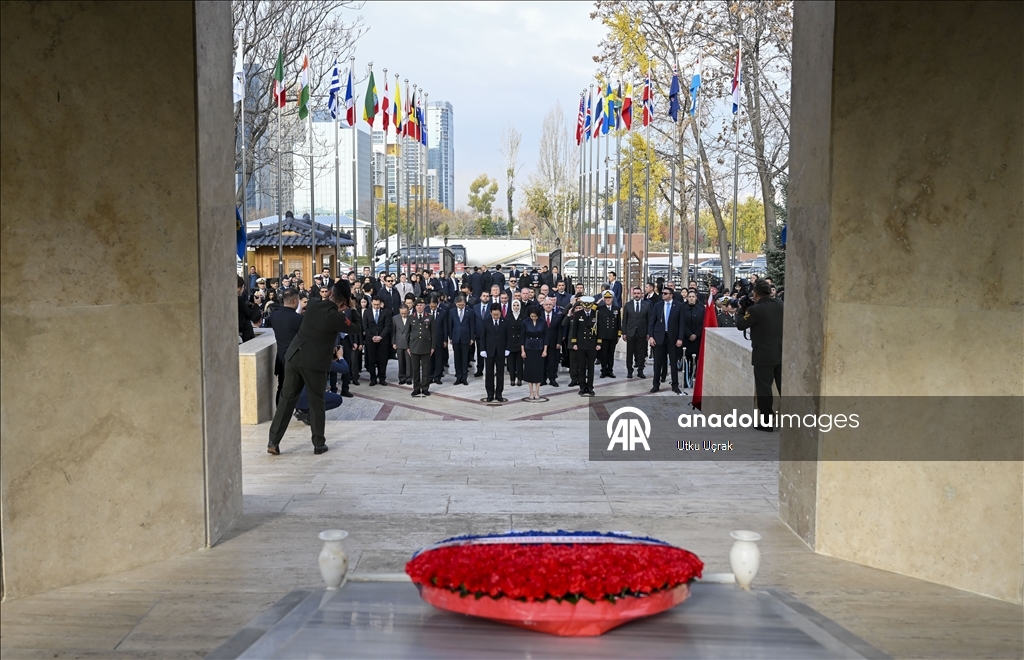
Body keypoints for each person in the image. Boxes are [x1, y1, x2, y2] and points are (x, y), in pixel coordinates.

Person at [267, 280, 355, 456]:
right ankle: (318, 444)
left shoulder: (313, 303)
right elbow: (356, 328)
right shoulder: (338, 318)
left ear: (329, 293)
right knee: (316, 403)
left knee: (286, 400)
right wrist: (353, 309)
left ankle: (273, 441)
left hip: (293, 357)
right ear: (345, 302)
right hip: (314, 363)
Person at [736, 278, 784, 431]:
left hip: (763, 355)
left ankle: (767, 421)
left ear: (755, 294)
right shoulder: (780, 304)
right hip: (780, 352)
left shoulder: (756, 310)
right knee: (784, 387)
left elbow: (741, 324)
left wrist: (740, 310)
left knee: (764, 389)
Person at [266, 288, 303, 403]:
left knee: (281, 387)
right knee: (298, 388)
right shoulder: (299, 319)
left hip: (281, 358)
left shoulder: (274, 316)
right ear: (295, 301)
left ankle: (279, 415)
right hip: (295, 359)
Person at [648, 287, 684, 394]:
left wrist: (680, 338)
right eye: (662, 293)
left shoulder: (679, 306)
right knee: (658, 362)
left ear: (671, 295)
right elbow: (652, 322)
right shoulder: (658, 305)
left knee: (673, 362)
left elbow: (681, 323)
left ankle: (675, 385)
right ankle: (656, 384)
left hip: (672, 338)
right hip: (659, 337)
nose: (663, 295)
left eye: (665, 293)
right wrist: (651, 336)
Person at [568, 297, 600, 396]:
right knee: (581, 367)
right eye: (584, 305)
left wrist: (599, 343)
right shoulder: (578, 314)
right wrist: (574, 343)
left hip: (592, 344)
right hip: (581, 344)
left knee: (591, 367)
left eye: (588, 305)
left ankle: (590, 387)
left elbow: (600, 329)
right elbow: (574, 330)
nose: (586, 307)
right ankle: (582, 387)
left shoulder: (596, 314)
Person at [408, 297, 437, 397]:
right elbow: (408, 333)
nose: (419, 307)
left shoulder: (429, 317)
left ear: (424, 306)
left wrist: (433, 347)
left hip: (426, 347)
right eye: (417, 305)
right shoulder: (411, 317)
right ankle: (416, 388)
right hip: (414, 346)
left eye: (421, 305)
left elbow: (433, 333)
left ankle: (425, 388)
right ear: (415, 307)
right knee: (415, 369)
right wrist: (408, 347)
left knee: (425, 369)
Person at [480, 303, 508, 402]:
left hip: (501, 351)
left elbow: (508, 337)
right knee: (489, 373)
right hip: (489, 351)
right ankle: (490, 394)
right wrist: (482, 349)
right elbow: (482, 337)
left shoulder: (505, 322)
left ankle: (499, 393)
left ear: (501, 312)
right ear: (490, 313)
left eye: (498, 314)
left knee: (500, 373)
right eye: (494, 314)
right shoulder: (486, 322)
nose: (496, 316)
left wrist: (507, 349)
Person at [447, 295, 476, 385]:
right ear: (456, 304)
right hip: (456, 338)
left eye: (462, 304)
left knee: (465, 358)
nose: (461, 306)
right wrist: (450, 337)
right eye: (459, 305)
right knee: (457, 358)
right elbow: (450, 325)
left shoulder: (470, 312)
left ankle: (464, 377)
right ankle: (458, 376)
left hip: (466, 338)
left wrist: (472, 338)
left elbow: (472, 325)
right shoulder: (452, 312)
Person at [622, 286, 650, 379]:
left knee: (641, 352)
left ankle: (640, 370)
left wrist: (649, 333)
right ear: (632, 294)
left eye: (638, 293)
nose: (637, 295)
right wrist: (624, 333)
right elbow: (624, 319)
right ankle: (629, 370)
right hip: (630, 332)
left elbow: (649, 320)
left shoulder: (646, 305)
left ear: (641, 294)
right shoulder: (628, 305)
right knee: (629, 352)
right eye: (635, 293)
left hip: (642, 332)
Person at [363, 296, 391, 386]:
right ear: (371, 303)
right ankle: (373, 378)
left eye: (378, 304)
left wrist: (380, 336)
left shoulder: (386, 312)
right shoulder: (367, 312)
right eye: (374, 304)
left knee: (382, 360)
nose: (376, 306)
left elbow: (387, 326)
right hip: (370, 341)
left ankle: (382, 378)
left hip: (383, 341)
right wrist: (372, 337)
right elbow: (365, 326)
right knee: (371, 360)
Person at [522, 307, 547, 400]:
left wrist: (545, 350)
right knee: (530, 370)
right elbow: (522, 337)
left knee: (538, 370)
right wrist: (523, 350)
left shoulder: (543, 322)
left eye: (535, 316)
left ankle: (537, 391)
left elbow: (546, 337)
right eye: (532, 316)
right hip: (529, 348)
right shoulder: (525, 322)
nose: (534, 318)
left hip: (539, 348)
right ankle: (531, 392)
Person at [596, 291, 621, 378]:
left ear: (612, 299)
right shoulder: (600, 308)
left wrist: (618, 335)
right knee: (603, 354)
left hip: (612, 335)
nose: (607, 300)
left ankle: (610, 370)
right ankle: (603, 370)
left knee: (611, 354)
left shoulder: (616, 309)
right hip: (603, 335)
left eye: (609, 298)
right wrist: (598, 302)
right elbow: (592, 309)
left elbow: (618, 322)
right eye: (606, 298)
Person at [540, 297, 562, 387]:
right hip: (542, 343)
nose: (548, 306)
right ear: (543, 306)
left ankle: (552, 379)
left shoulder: (558, 316)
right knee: (542, 362)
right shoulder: (540, 316)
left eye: (550, 304)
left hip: (554, 343)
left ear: (553, 305)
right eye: (546, 304)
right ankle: (543, 379)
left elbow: (560, 330)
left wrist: (559, 342)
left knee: (553, 362)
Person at [505, 299, 525, 387]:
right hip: (511, 342)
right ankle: (512, 379)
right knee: (511, 363)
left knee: (520, 362)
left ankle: (520, 379)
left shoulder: (523, 316)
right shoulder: (508, 316)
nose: (516, 307)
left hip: (520, 342)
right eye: (514, 305)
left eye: (517, 305)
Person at [392, 304, 412, 385]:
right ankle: (401, 377)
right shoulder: (395, 318)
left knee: (408, 362)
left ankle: (409, 378)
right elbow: (393, 331)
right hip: (399, 342)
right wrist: (393, 342)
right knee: (401, 361)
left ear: (408, 311)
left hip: (408, 342)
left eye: (405, 313)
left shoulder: (411, 318)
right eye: (402, 313)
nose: (403, 315)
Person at [237, 276, 260, 343]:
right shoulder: (239, 299)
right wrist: (256, 305)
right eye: (243, 287)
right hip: (244, 332)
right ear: (239, 287)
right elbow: (250, 315)